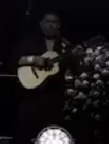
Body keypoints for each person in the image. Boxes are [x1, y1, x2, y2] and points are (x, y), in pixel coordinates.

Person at [12, 12, 72, 143]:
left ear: (59, 26)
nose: (50, 25)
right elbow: (16, 59)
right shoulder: (29, 41)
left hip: (55, 94)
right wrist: (34, 59)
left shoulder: (66, 45)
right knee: (25, 128)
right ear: (41, 25)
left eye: (54, 22)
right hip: (31, 94)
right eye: (47, 22)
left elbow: (71, 67)